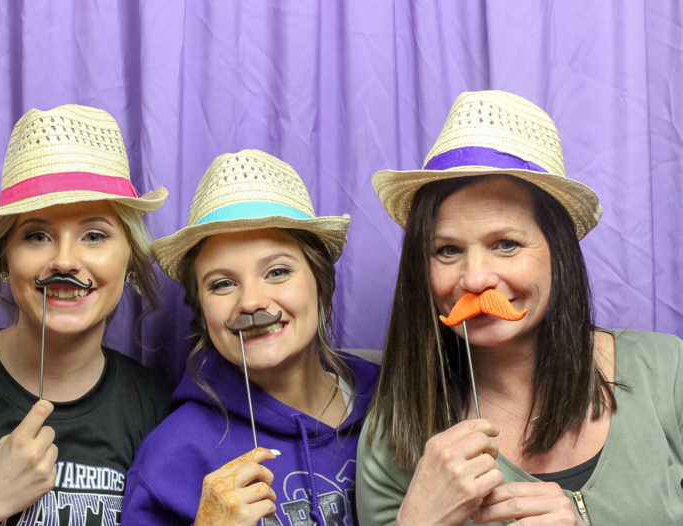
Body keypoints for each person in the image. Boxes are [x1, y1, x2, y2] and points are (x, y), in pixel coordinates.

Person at [356, 89, 683, 525]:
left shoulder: (668, 372)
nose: (474, 279)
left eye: (506, 244)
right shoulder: (393, 435)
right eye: (447, 251)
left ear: (558, 252)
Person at [0, 103, 174, 525]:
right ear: (6, 259)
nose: (65, 261)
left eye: (94, 235)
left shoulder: (158, 411)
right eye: (37, 235)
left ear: (130, 261)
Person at [122, 149, 380, 525]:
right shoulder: (174, 453)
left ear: (321, 283)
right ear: (201, 309)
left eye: (277, 272)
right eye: (223, 284)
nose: (252, 302)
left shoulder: (392, 404)